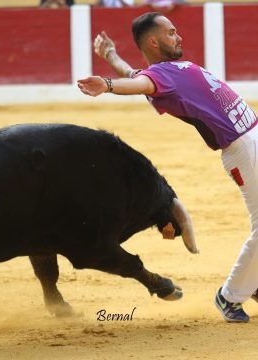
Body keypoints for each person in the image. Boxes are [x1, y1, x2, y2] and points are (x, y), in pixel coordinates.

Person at [78, 12, 258, 323]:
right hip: (242, 148)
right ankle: (229, 296)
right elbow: (137, 84)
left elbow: (136, 76)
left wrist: (110, 54)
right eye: (171, 33)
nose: (179, 37)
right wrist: (107, 85)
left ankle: (251, 282)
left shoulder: (164, 75)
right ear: (154, 41)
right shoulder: (160, 79)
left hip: (252, 133)